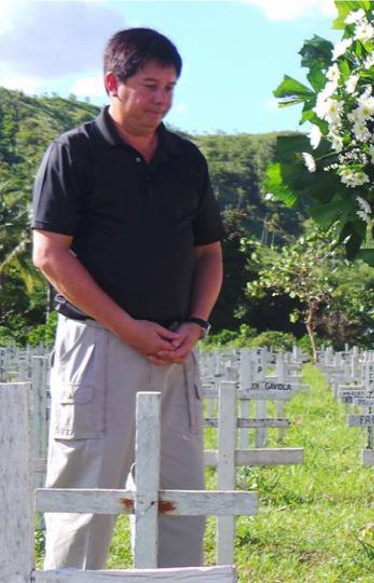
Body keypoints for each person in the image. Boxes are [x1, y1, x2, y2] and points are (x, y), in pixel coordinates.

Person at [31, 28, 223, 569]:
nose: (161, 99)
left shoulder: (187, 160)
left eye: (170, 88)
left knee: (180, 503)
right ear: (113, 83)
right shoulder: (74, 153)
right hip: (98, 347)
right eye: (149, 86)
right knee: (84, 501)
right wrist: (125, 327)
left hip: (174, 349)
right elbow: (50, 256)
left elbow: (209, 254)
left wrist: (196, 323)